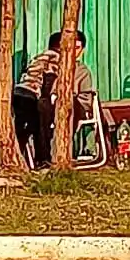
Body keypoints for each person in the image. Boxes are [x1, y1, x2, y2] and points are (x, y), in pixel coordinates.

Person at [12, 30, 94, 169]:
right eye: (70, 47)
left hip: (75, 105)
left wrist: (65, 97)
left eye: (77, 48)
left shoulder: (81, 70)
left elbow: (86, 99)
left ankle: (51, 156)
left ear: (82, 50)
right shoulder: (50, 65)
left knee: (55, 105)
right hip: (47, 104)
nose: (73, 51)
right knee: (39, 107)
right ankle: (40, 157)